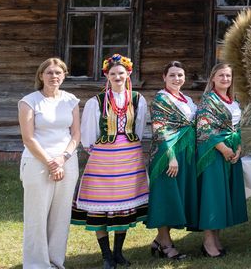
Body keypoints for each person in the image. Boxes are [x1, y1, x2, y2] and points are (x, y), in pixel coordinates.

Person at [71, 54, 149, 269]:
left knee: (124, 204)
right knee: (100, 204)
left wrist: (131, 144)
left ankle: (118, 253)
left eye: (121, 73)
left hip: (129, 156)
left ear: (128, 74)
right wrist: (96, 148)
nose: (117, 76)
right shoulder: (96, 101)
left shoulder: (137, 99)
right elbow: (89, 134)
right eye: (113, 73)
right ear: (107, 75)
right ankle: (106, 255)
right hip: (104, 157)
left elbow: (140, 127)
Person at [19, 57, 81, 269]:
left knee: (61, 215)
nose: (54, 76)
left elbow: (76, 134)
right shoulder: (29, 101)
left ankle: (55, 262)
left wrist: (62, 159)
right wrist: (50, 163)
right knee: (37, 215)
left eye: (58, 73)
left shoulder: (71, 100)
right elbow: (28, 138)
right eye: (49, 72)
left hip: (67, 162)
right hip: (37, 162)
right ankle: (36, 264)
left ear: (64, 76)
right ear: (41, 75)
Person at [195, 63, 248, 258]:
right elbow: (204, 127)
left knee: (224, 194)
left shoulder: (234, 100)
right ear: (213, 79)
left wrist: (239, 147)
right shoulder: (208, 100)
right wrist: (223, 148)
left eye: (228, 76)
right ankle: (208, 240)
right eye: (221, 75)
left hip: (231, 150)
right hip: (213, 152)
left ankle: (216, 237)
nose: (225, 79)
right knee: (213, 195)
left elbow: (238, 127)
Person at [146, 61, 197, 260]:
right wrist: (171, 157)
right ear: (164, 77)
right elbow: (160, 129)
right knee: (165, 197)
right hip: (167, 154)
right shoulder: (161, 99)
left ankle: (159, 240)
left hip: (185, 152)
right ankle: (166, 244)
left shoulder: (187, 99)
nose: (177, 79)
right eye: (173, 75)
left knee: (176, 197)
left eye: (180, 75)